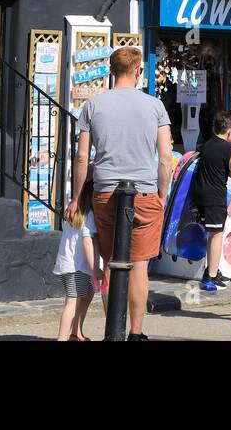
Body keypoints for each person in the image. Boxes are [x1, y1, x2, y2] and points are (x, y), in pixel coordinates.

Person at [67, 45, 173, 342]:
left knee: (112, 261)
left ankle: (113, 330)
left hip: (105, 192)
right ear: (138, 71)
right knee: (139, 265)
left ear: (111, 71)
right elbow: (165, 158)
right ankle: (135, 332)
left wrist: (76, 197)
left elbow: (81, 157)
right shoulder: (155, 106)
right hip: (144, 192)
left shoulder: (93, 106)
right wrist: (162, 194)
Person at [194, 111, 231, 293]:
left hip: (201, 194)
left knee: (212, 233)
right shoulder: (228, 149)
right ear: (229, 132)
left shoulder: (206, 145)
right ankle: (210, 275)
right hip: (215, 197)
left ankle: (213, 268)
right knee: (216, 234)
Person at [53, 182, 99, 341]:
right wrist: (95, 269)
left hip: (72, 265)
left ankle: (76, 332)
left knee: (88, 293)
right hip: (76, 267)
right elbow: (87, 242)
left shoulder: (74, 214)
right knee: (72, 302)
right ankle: (63, 338)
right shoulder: (89, 216)